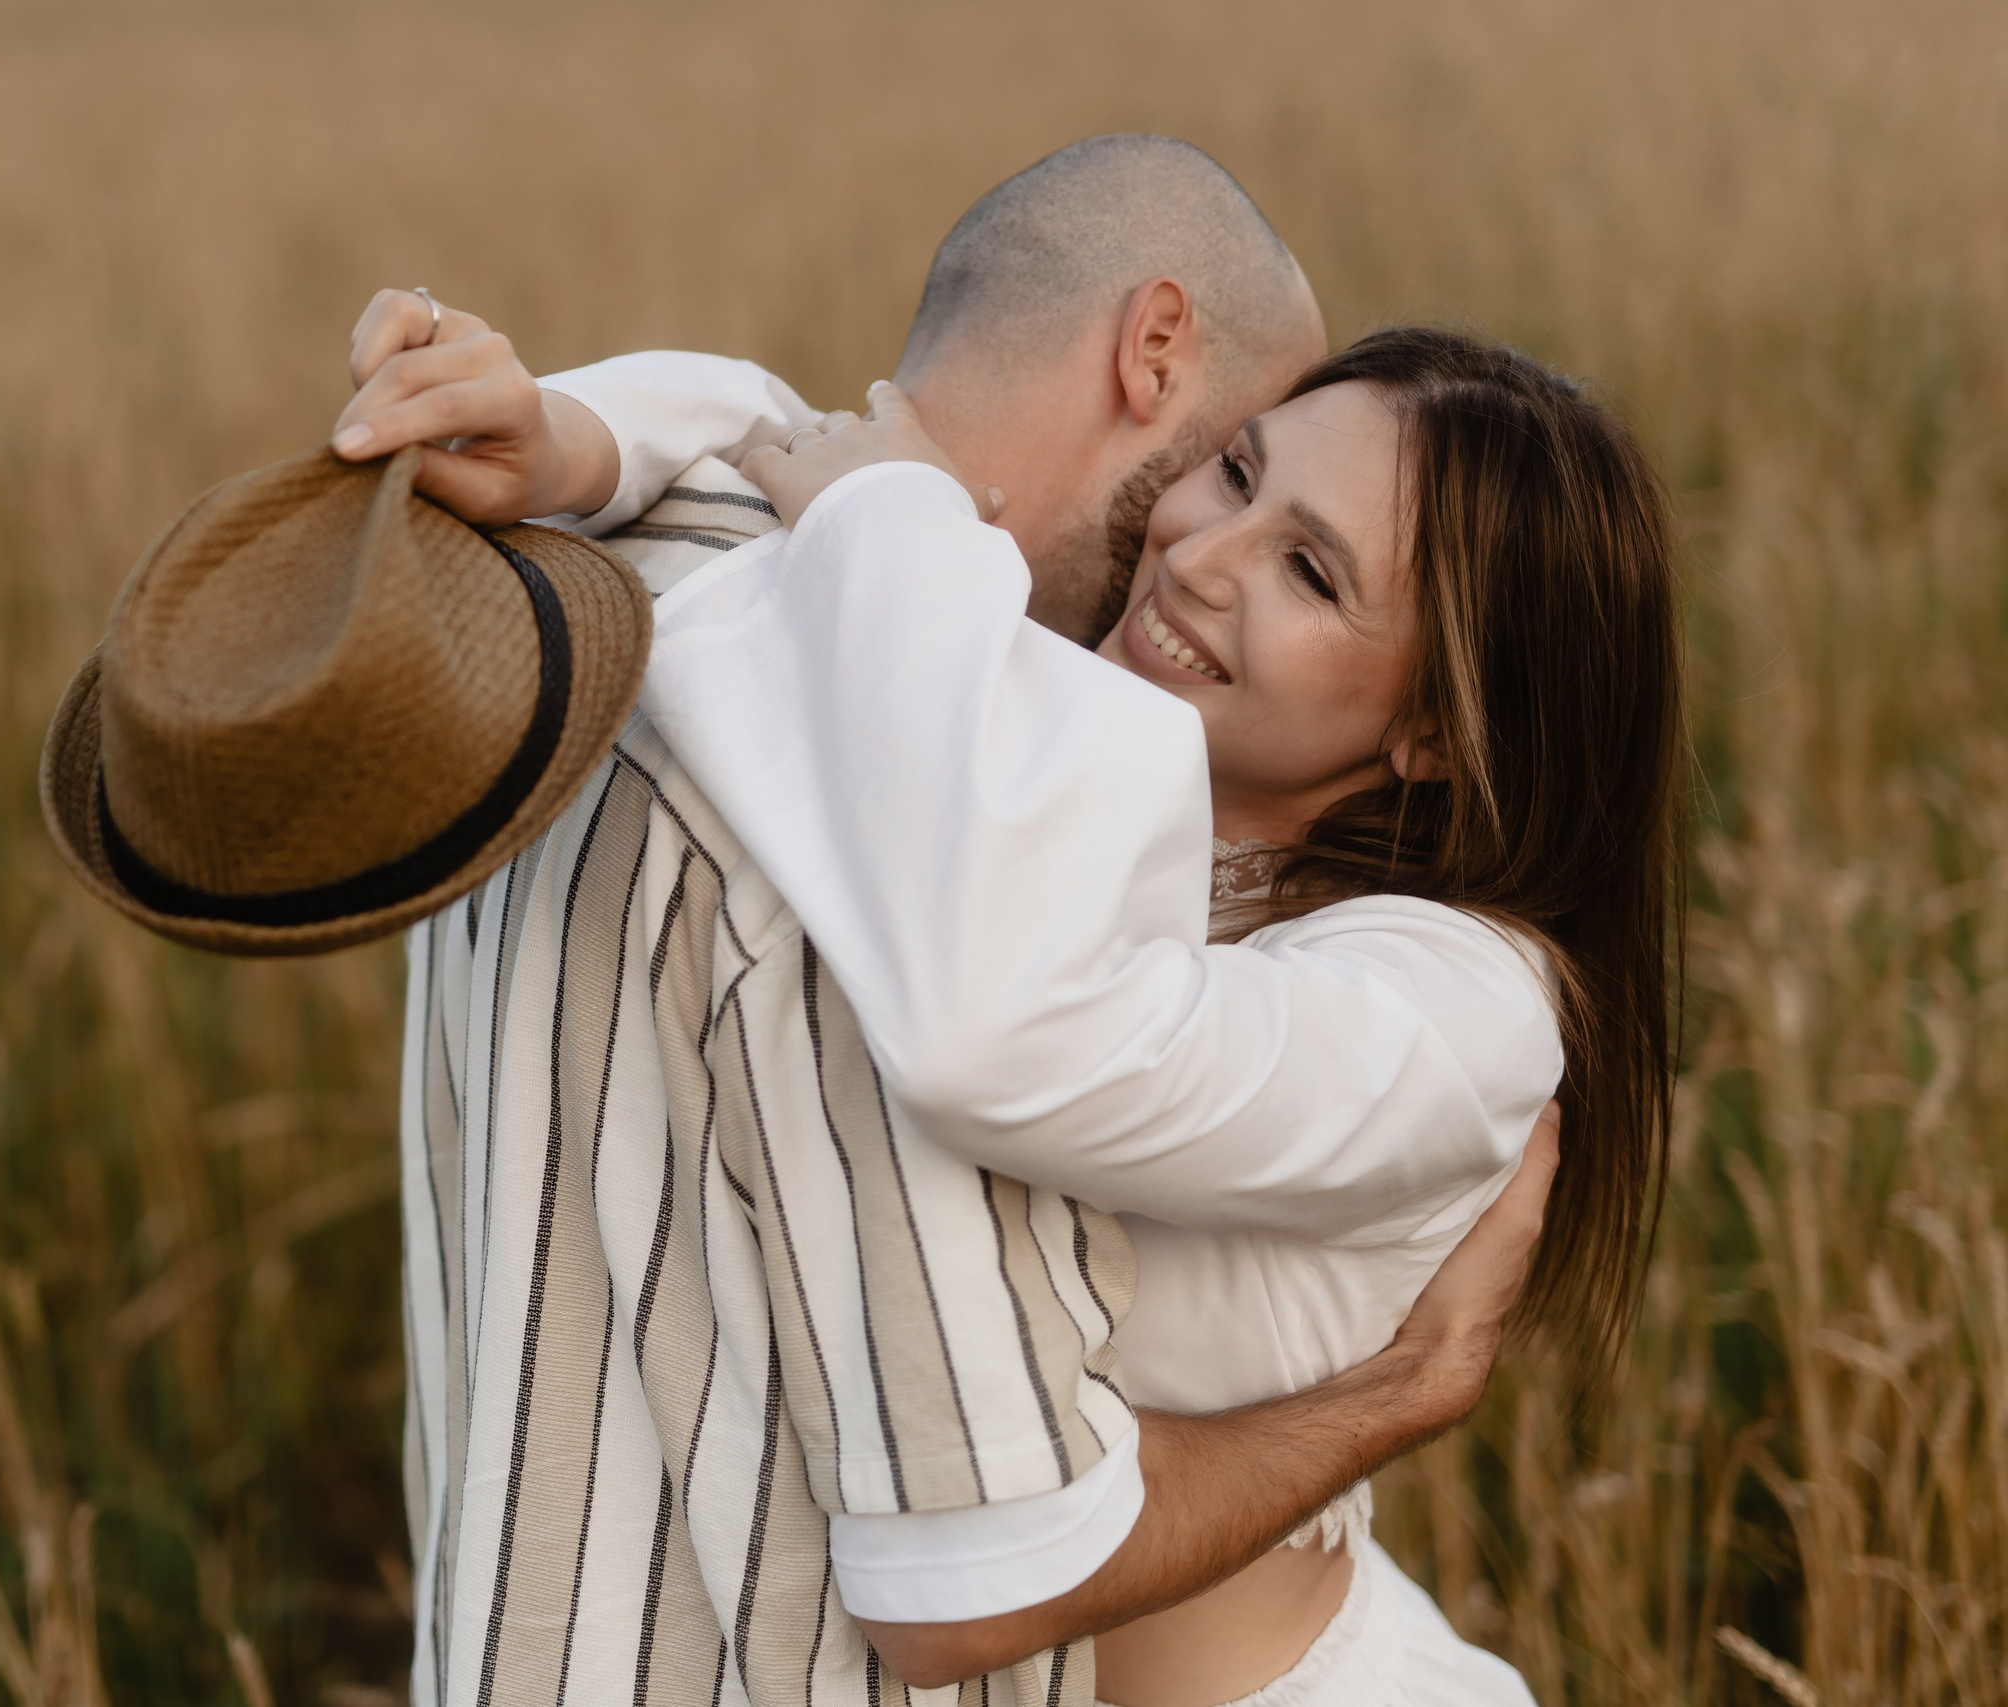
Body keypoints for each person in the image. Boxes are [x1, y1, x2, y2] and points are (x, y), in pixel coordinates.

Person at [332, 147, 1679, 1703]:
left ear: (1436, 736)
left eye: (1310, 572)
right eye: (1238, 471)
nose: (1199, 552)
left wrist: (891, 515)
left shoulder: (1456, 1008)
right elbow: (823, 478)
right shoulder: (1074, 762)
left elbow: (1015, 1025)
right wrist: (590, 434)